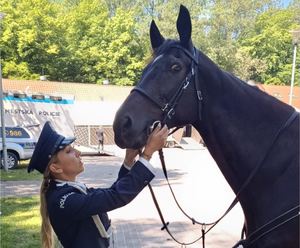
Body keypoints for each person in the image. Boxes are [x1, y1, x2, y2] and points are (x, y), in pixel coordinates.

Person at [28, 121, 168, 248]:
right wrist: (148, 153)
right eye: (69, 151)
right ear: (56, 168)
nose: (78, 152)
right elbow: (116, 196)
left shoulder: (65, 191)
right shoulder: (64, 200)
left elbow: (111, 193)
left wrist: (128, 161)